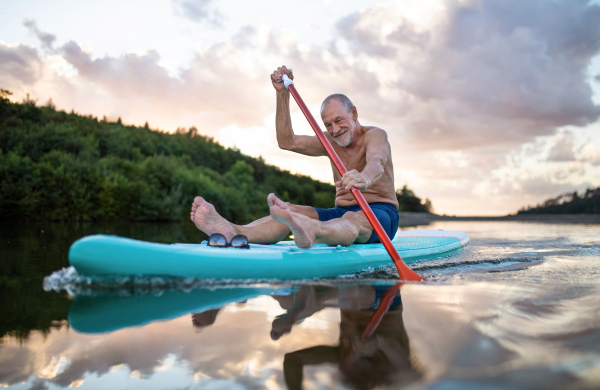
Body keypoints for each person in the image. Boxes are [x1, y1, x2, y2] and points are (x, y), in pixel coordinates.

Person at [190, 65, 399, 248]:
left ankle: (314, 231)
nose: (334, 130)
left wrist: (363, 178)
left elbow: (376, 162)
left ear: (353, 113)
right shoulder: (330, 141)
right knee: (290, 212)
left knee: (353, 219)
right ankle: (235, 231)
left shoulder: (375, 135)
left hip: (380, 213)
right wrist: (282, 94)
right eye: (328, 125)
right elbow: (287, 141)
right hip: (339, 213)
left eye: (339, 120)